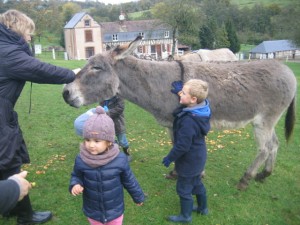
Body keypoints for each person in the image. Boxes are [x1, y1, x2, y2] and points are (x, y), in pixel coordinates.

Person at [0, 9, 76, 224]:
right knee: (9, 163)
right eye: (29, 32)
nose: (30, 37)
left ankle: (8, 206)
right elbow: (39, 69)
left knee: (2, 164)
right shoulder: (7, 52)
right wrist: (74, 74)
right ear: (17, 28)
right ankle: (26, 217)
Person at [70, 106, 145, 225]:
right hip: (93, 211)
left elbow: (129, 180)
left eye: (97, 141)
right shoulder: (81, 159)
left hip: (114, 211)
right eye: (87, 140)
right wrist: (75, 184)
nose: (91, 145)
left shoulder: (119, 159)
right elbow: (76, 175)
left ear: (109, 141)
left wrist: (138, 196)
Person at [162, 79, 211, 223]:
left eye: (183, 93)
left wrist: (170, 157)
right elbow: (188, 104)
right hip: (199, 157)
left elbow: (182, 146)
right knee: (196, 183)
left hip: (189, 161)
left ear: (193, 99)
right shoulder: (202, 109)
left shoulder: (188, 121)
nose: (180, 95)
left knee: (184, 188)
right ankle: (203, 208)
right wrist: (181, 93)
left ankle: (185, 216)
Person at [74, 95, 131, 160]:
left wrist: (106, 113)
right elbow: (101, 106)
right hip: (106, 123)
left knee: (122, 140)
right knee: (108, 138)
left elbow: (120, 108)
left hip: (117, 123)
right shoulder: (103, 97)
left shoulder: (118, 97)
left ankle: (127, 154)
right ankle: (111, 152)